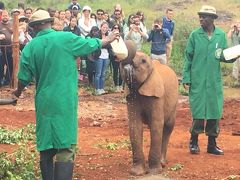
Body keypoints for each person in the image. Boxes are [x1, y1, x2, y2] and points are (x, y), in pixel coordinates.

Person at [12, 9, 119, 179]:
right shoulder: (65, 38)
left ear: (34, 27)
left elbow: (23, 79)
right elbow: (91, 44)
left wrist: (16, 94)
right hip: (65, 99)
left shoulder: (30, 47)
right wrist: (108, 39)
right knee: (65, 144)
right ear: (49, 22)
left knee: (46, 143)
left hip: (44, 100)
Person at [182, 5, 237, 156]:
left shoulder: (220, 35)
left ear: (212, 19)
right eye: (200, 15)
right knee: (198, 112)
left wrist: (234, 55)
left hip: (213, 81)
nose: (201, 18)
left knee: (214, 112)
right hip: (198, 80)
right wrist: (186, 77)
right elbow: (188, 58)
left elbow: (223, 56)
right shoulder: (195, 35)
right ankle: (194, 142)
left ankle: (212, 144)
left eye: (204, 16)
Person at [0, 10, 13, 86]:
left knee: (10, 65)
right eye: (4, 15)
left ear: (9, 16)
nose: (5, 17)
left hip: (11, 49)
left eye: (6, 15)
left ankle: (8, 81)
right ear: (1, 16)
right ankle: (0, 80)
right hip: (1, 49)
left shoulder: (12, 24)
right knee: (1, 65)